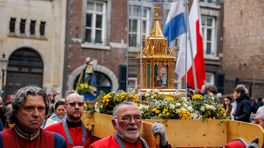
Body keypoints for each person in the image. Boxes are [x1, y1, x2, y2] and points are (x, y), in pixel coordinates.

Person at [0, 86, 66, 148]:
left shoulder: (57, 142)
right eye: (29, 108)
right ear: (16, 112)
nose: (36, 114)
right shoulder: (2, 140)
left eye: (41, 108)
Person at [90, 101, 170, 148]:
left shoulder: (147, 144)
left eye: (137, 117)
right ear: (114, 123)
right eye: (126, 118)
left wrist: (163, 144)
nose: (133, 122)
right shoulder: (99, 147)